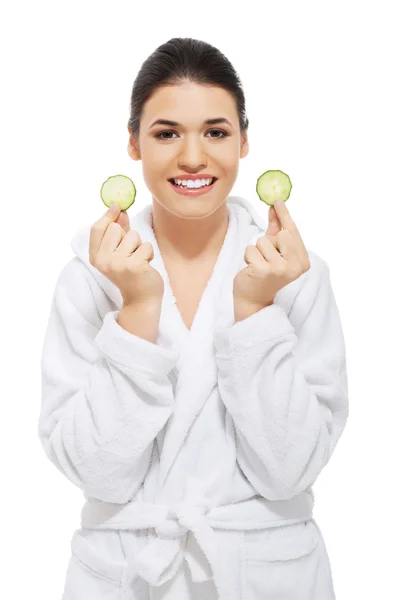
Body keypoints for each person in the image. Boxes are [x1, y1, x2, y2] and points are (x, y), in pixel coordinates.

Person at [38, 37, 349, 600]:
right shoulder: (87, 277)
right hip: (127, 574)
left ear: (244, 140)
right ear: (133, 143)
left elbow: (291, 470)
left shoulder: (297, 275)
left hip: (268, 574)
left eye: (215, 131)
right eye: (165, 133)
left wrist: (254, 312)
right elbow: (96, 472)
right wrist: (135, 311)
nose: (192, 157)